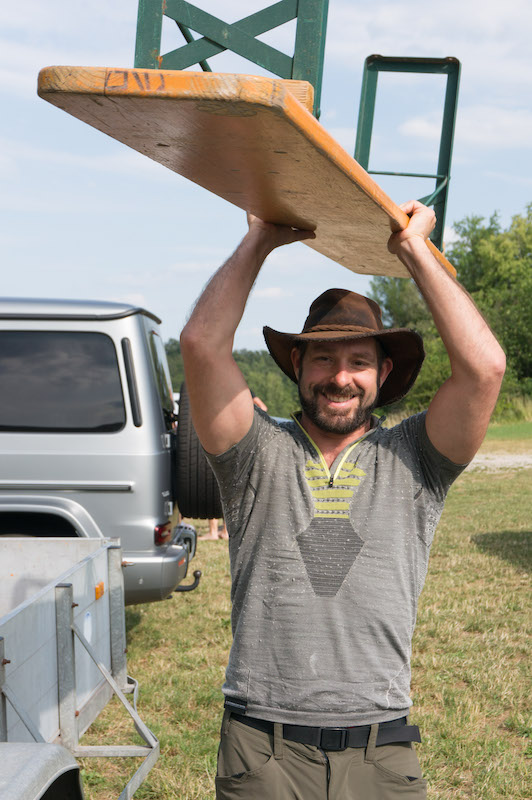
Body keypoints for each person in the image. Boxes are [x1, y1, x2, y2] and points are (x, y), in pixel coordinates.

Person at [180, 201, 505, 800]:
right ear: (297, 364)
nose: (340, 376)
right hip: (264, 747)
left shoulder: (417, 458)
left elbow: (484, 369)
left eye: (359, 361)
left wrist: (415, 253)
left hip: (382, 749)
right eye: (324, 357)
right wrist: (260, 240)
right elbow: (201, 344)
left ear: (383, 373)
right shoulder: (256, 451)